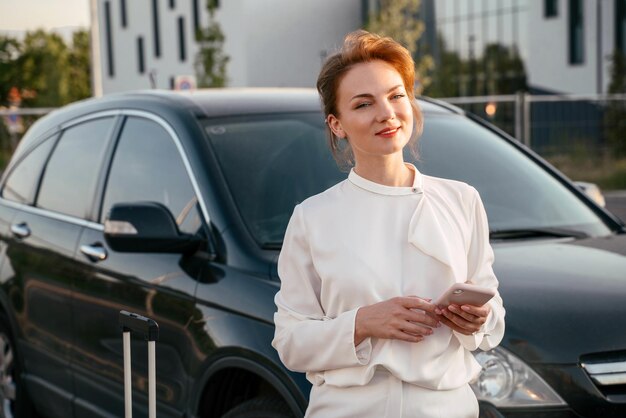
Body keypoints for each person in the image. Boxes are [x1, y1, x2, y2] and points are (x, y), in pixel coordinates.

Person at [272, 30, 505, 418]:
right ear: (337, 124)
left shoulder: (462, 200)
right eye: (364, 104)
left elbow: (493, 319)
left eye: (396, 95)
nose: (387, 113)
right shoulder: (312, 218)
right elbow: (290, 342)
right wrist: (362, 322)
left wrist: (477, 319)